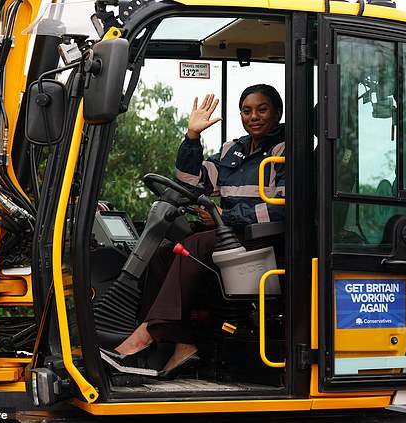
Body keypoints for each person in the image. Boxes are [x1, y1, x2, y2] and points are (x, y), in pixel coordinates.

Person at [102, 84, 285, 379]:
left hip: (264, 239)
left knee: (196, 246)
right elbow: (191, 180)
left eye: (262, 110)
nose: (254, 116)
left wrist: (226, 217)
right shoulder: (232, 151)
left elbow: (282, 209)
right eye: (247, 110)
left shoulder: (285, 151)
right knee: (162, 254)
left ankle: (144, 336)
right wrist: (192, 136)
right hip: (230, 236)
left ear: (277, 113)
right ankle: (181, 344)